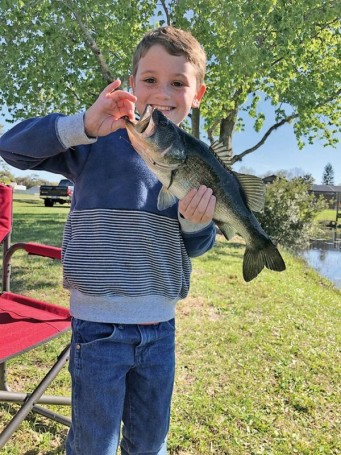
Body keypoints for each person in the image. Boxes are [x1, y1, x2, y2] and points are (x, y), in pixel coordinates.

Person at [0, 26, 216, 454]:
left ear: (197, 95)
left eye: (178, 83)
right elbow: (12, 148)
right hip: (97, 331)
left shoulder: (196, 161)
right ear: (132, 83)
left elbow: (196, 245)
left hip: (161, 331)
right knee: (93, 444)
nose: (161, 92)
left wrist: (195, 223)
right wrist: (83, 124)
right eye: (150, 79)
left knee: (150, 442)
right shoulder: (95, 141)